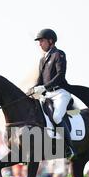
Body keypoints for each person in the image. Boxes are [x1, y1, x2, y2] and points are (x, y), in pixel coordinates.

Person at [32, 28, 76, 160]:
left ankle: (69, 148)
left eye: (42, 41)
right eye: (39, 41)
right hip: (47, 95)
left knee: (57, 117)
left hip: (60, 93)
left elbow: (60, 76)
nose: (40, 44)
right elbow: (39, 80)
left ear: (50, 41)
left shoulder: (59, 54)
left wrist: (44, 87)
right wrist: (32, 90)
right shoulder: (42, 60)